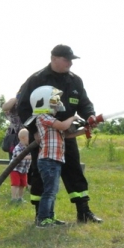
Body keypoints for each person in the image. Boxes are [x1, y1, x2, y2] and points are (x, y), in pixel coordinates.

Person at [16, 45, 103, 224]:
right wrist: (34, 131)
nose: (70, 63)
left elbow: (84, 104)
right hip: (43, 137)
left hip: (66, 136)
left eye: (71, 60)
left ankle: (83, 212)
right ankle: (42, 216)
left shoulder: (75, 80)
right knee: (41, 175)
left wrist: (90, 116)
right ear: (54, 58)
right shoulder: (37, 79)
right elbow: (23, 107)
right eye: (66, 60)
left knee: (74, 171)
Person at [24, 86, 80, 228]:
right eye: (54, 101)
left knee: (52, 191)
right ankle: (42, 219)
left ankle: (50, 217)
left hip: (55, 160)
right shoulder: (43, 117)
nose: (57, 104)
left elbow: (67, 134)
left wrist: (86, 129)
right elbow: (63, 126)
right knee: (49, 191)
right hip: (48, 160)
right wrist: (73, 117)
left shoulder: (51, 120)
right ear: (43, 101)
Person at [9, 128, 31, 203]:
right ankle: (14, 198)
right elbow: (20, 156)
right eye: (29, 137)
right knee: (15, 184)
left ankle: (20, 198)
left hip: (24, 170)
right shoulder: (18, 147)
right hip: (15, 169)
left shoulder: (28, 147)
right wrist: (31, 157)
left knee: (22, 184)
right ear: (23, 138)